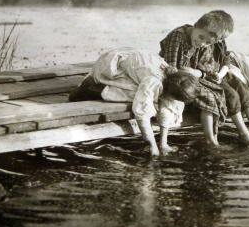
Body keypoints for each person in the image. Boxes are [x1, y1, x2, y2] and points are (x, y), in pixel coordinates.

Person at [68, 47, 217, 156]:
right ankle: (90, 88)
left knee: (152, 98)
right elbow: (142, 113)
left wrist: (163, 144)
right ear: (170, 92)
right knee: (136, 96)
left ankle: (98, 87)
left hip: (131, 65)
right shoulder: (153, 81)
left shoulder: (175, 78)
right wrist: (152, 145)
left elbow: (170, 106)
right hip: (110, 65)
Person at [159, 10, 249, 144]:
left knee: (218, 94)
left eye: (208, 42)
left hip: (193, 76)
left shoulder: (208, 42)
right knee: (210, 97)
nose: (202, 43)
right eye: (201, 37)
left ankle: (214, 138)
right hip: (176, 78)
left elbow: (209, 65)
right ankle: (211, 140)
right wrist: (191, 73)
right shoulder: (178, 36)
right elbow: (171, 66)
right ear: (196, 25)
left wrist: (198, 72)